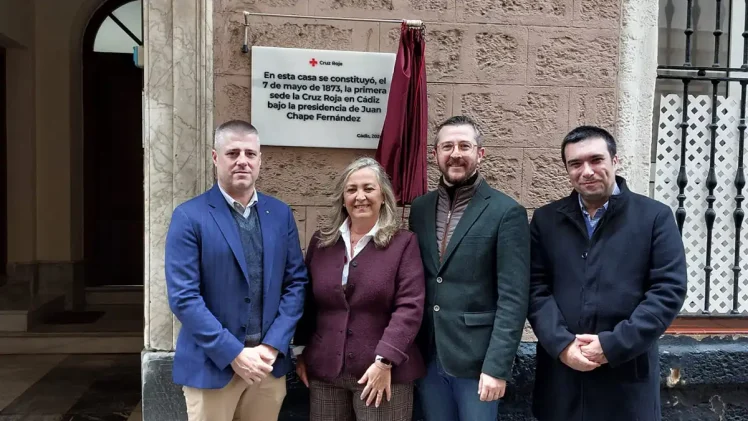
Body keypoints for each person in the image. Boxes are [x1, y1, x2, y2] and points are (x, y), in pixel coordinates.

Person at [526, 125, 688, 421]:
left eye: (596, 160)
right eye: (575, 163)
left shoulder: (654, 217)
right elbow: (535, 289)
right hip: (562, 380)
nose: (586, 171)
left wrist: (612, 345)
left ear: (615, 161)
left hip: (626, 381)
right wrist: (562, 345)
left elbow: (668, 291)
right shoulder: (546, 220)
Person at [164, 120, 308, 421]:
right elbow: (184, 298)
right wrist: (234, 354)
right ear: (216, 157)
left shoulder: (280, 214)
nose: (242, 160)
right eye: (232, 153)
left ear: (259, 159)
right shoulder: (189, 217)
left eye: (250, 153)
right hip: (211, 367)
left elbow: (295, 283)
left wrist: (272, 346)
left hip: (266, 369)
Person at [408, 115, 531, 421]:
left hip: (478, 363)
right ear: (435, 154)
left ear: (480, 153)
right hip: (429, 356)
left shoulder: (506, 212)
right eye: (447, 146)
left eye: (465, 145)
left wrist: (496, 367)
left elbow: (513, 299)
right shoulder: (420, 209)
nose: (456, 153)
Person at [294, 157, 426, 421]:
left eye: (368, 188)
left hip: (382, 373)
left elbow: (410, 307)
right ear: (343, 198)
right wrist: (300, 352)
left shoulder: (403, 243)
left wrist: (385, 361)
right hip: (325, 372)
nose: (360, 196)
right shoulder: (322, 242)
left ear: (384, 196)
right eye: (351, 189)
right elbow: (307, 302)